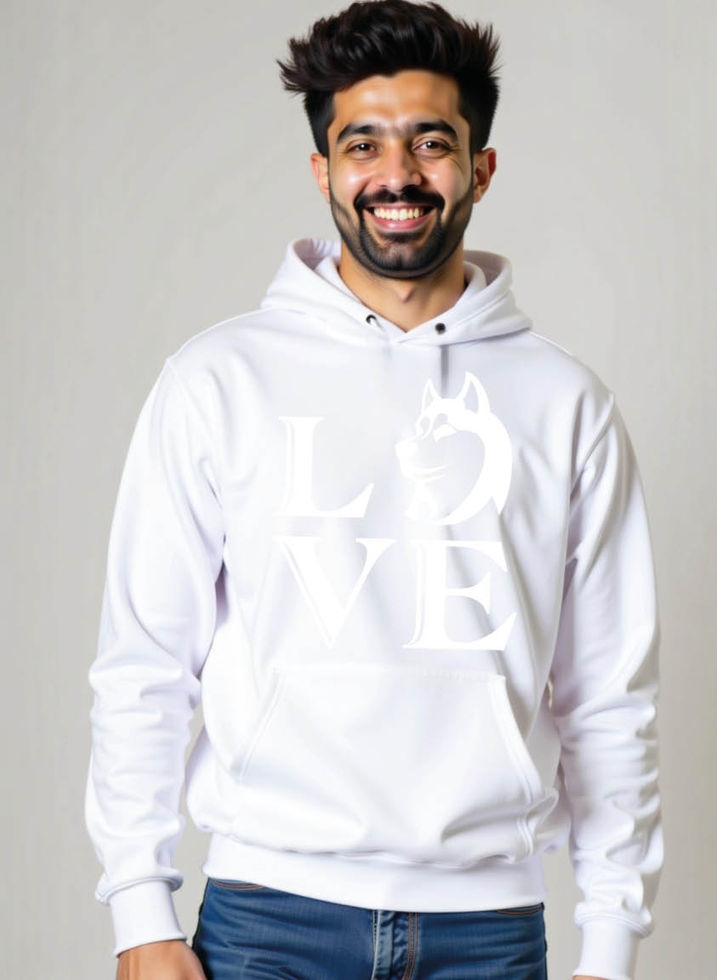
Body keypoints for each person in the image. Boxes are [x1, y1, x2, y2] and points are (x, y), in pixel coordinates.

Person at [84, 2, 663, 978]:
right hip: (267, 921)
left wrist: (609, 949)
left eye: (431, 142)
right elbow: (144, 662)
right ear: (323, 171)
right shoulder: (218, 381)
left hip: (487, 929)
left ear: (480, 167)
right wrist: (140, 910)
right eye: (363, 144)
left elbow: (609, 697)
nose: (398, 174)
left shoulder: (567, 404)